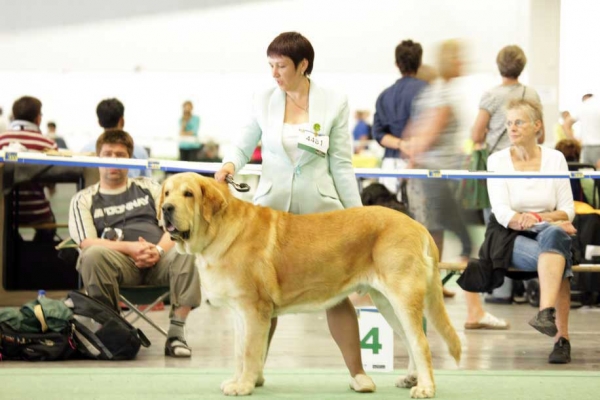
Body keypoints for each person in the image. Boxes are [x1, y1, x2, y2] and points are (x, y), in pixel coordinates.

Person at [214, 32, 375, 393]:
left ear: (303, 65)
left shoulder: (334, 101)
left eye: (281, 66)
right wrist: (228, 166)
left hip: (322, 215)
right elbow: (243, 142)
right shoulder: (263, 99)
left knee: (337, 293)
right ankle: (251, 373)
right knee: (259, 300)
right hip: (270, 212)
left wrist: (359, 216)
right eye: (270, 65)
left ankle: (358, 372)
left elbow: (342, 164)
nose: (274, 73)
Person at [401, 40, 507, 329]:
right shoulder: (443, 94)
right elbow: (425, 137)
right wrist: (421, 152)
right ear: (451, 61)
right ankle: (471, 312)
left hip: (433, 178)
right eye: (460, 57)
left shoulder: (431, 92)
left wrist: (414, 153)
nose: (464, 62)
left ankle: (425, 307)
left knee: (434, 245)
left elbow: (412, 134)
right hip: (438, 180)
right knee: (465, 242)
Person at [461, 98, 575, 364]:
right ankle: (562, 339)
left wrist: (535, 217)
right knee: (560, 254)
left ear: (537, 126)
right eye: (509, 123)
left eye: (519, 122)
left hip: (547, 231)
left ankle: (546, 313)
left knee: (555, 238)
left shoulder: (555, 158)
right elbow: (502, 212)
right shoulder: (497, 160)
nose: (512, 128)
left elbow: (568, 210)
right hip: (509, 237)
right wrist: (543, 219)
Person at [69, 129, 201, 358]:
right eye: (107, 154)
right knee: (92, 255)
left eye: (120, 155)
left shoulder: (149, 187)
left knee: (186, 250)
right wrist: (130, 248)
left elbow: (177, 228)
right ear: (97, 158)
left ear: (130, 159)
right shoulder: (84, 199)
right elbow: (86, 242)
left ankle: (176, 334)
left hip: (159, 261)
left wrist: (158, 250)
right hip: (118, 266)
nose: (114, 160)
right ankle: (115, 331)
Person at [471, 44, 543, 304]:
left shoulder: (490, 95)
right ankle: (533, 285)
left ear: (499, 65)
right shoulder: (531, 93)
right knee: (532, 222)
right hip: (527, 168)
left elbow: (476, 134)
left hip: (499, 168)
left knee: (498, 224)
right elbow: (541, 134)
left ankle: (500, 290)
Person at [372, 39, 428, 197]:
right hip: (417, 163)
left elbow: (378, 134)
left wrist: (400, 144)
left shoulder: (384, 96)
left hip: (390, 164)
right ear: (420, 62)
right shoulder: (427, 91)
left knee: (391, 217)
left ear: (397, 64)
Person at [0, 96, 58, 242]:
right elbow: (52, 182)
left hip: (5, 210)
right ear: (38, 119)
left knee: (7, 232)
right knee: (49, 228)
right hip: (38, 211)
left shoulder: (1, 141)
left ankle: (12, 251)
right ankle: (36, 258)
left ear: (13, 116)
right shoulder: (48, 144)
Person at [80, 98, 151, 178]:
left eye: (120, 155)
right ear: (122, 121)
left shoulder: (85, 151)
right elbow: (147, 183)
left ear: (99, 123)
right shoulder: (140, 153)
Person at [564, 94, 600, 168]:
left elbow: (566, 124)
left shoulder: (584, 106)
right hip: (594, 147)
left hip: (586, 149)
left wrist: (574, 141)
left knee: (587, 176)